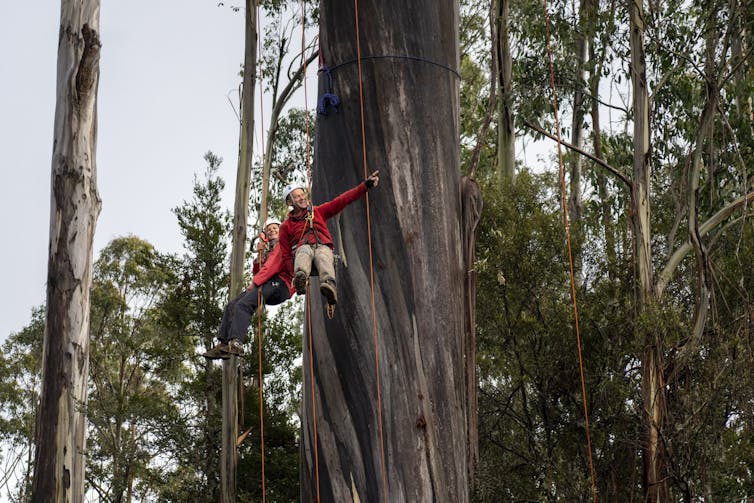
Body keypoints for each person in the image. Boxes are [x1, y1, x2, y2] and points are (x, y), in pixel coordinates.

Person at [278, 170, 380, 307]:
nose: (302, 198)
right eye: (297, 197)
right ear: (290, 202)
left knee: (323, 256)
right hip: (303, 248)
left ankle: (328, 284)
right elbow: (285, 255)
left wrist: (365, 186)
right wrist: (292, 274)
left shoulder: (318, 211)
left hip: (322, 246)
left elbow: (342, 201)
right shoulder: (286, 226)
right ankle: (301, 277)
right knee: (303, 252)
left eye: (302, 194)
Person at [202, 219, 293, 360]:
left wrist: (255, 283)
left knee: (243, 305)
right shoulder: (268, 250)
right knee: (232, 306)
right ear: (265, 235)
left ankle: (236, 342)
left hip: (281, 284)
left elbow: (271, 268)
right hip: (268, 283)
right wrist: (260, 255)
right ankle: (224, 344)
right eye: (269, 229)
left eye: (275, 228)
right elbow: (259, 271)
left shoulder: (282, 245)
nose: (272, 230)